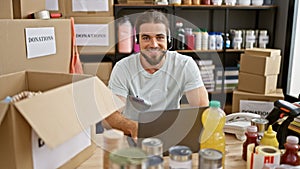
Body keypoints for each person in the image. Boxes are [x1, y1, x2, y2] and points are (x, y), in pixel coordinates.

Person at [103, 10, 209, 138]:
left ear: (168, 39)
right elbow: (109, 116)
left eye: (159, 37)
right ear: (137, 40)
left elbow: (202, 110)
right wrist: (133, 126)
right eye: (146, 37)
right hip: (133, 136)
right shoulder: (123, 68)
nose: (153, 44)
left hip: (170, 135)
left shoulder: (185, 65)